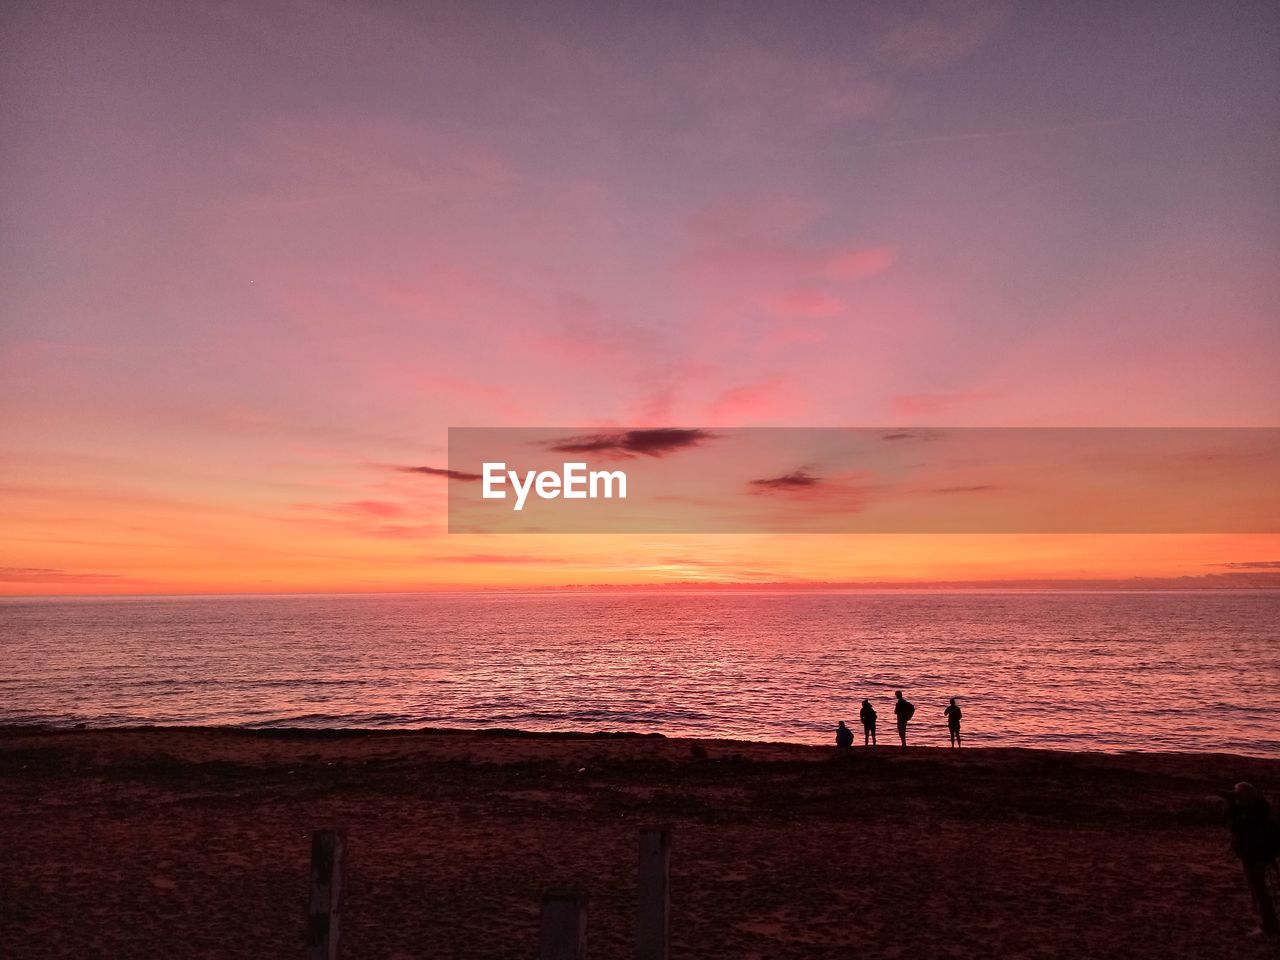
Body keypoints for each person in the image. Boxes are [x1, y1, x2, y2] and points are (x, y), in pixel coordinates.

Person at [1225, 781, 1280, 935]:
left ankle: (1268, 924)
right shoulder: (1258, 811)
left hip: (1256, 858)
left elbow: (1238, 828)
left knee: (1260, 890)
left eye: (1238, 795)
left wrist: (1233, 807)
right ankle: (1267, 922)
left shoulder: (1253, 815)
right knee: (1259, 890)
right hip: (1256, 856)